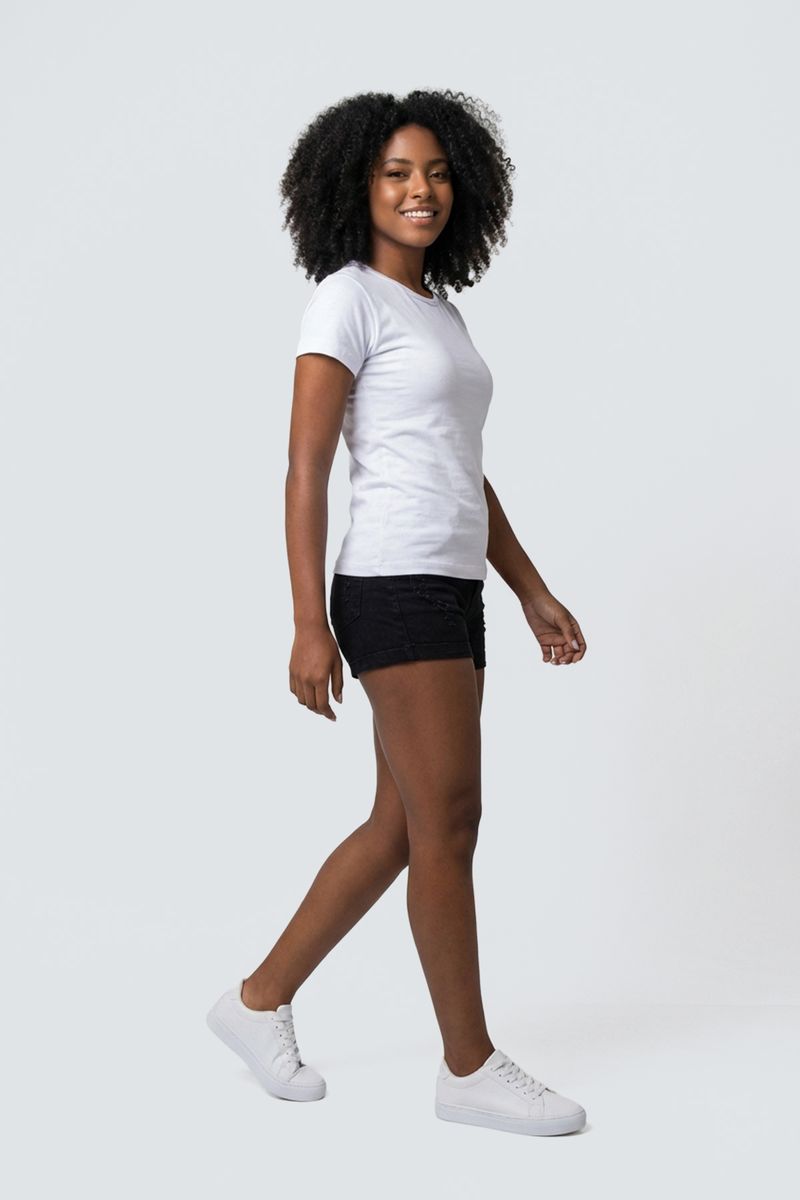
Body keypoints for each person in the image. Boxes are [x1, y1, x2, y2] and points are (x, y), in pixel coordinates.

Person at [207, 89, 589, 1138]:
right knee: (449, 821)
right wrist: (306, 621)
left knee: (403, 824)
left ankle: (257, 1001)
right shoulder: (345, 300)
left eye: (435, 172)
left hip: (452, 585)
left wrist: (529, 588)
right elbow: (305, 466)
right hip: (391, 584)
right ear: (355, 187)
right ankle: (467, 1066)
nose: (420, 190)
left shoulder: (442, 314)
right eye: (394, 173)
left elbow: (463, 469)